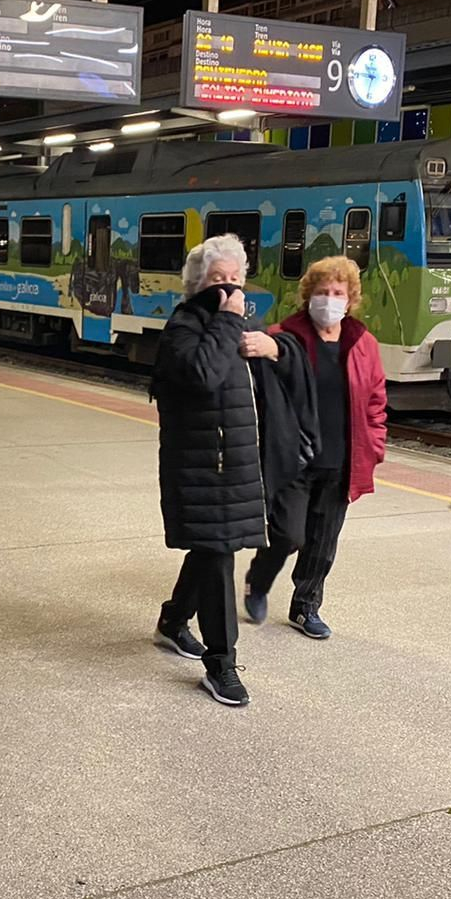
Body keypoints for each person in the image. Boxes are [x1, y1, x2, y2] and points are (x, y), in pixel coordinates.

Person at [150, 233, 282, 708]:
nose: (227, 286)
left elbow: (268, 388)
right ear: (196, 284)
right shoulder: (184, 327)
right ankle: (221, 665)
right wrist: (228, 323)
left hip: (237, 462)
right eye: (216, 278)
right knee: (217, 553)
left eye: (234, 278)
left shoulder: (243, 326)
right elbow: (204, 376)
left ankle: (172, 621)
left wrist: (273, 349)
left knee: (211, 549)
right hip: (201, 464)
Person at [243, 255, 388, 639]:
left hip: (342, 457)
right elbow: (261, 392)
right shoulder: (284, 336)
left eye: (338, 292)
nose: (330, 299)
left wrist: (374, 446)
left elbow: (375, 399)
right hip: (295, 457)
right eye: (322, 292)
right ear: (308, 296)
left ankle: (306, 607)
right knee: (289, 534)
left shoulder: (363, 343)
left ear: (351, 298)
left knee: (323, 542)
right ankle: (259, 581)